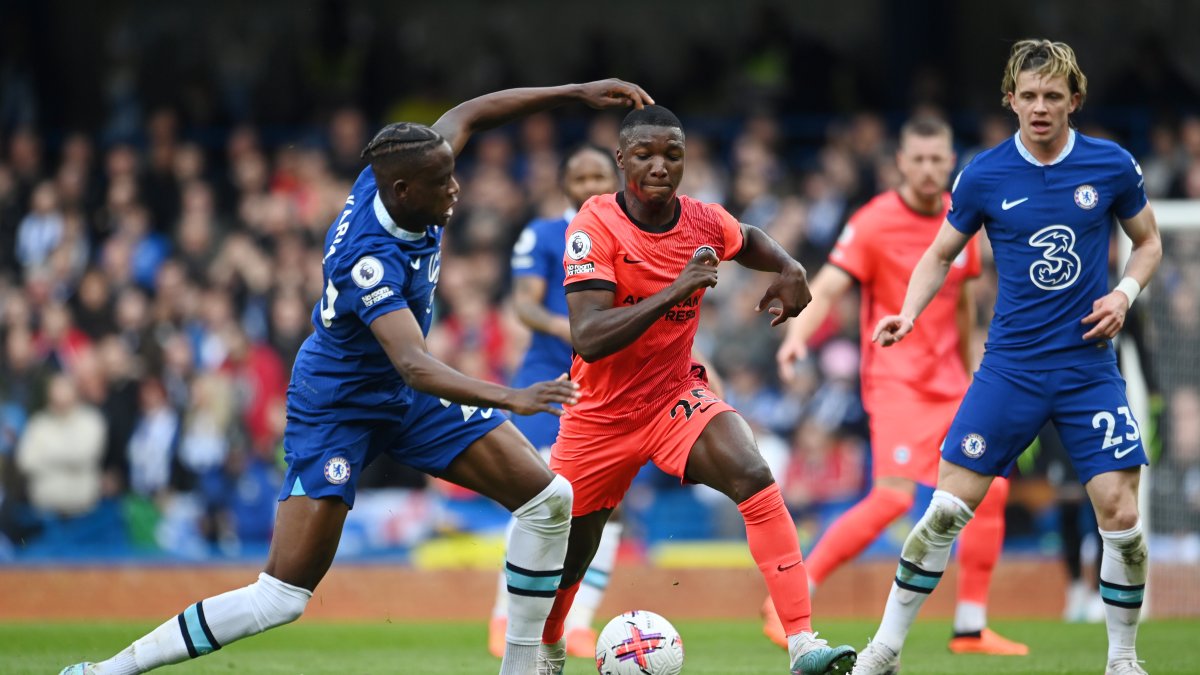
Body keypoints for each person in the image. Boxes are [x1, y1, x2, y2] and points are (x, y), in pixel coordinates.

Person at [59, 78, 655, 675]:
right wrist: (510, 397)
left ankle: (524, 667)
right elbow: (415, 363)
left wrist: (577, 92)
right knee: (282, 596)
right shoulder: (368, 258)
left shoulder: (403, 169)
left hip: (401, 392)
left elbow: (470, 112)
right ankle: (107, 671)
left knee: (548, 500)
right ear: (403, 191)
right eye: (443, 182)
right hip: (339, 403)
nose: (456, 187)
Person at [852, 40, 1161, 675]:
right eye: (1029, 96)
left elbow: (1149, 242)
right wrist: (909, 312)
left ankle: (1123, 660)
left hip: (1087, 369)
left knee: (1122, 514)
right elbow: (940, 253)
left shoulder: (1110, 165)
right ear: (1010, 101)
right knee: (943, 513)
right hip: (1010, 370)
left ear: (1074, 100)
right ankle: (884, 650)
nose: (1040, 107)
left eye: (1053, 96)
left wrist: (1124, 294)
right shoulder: (983, 175)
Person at [536, 105, 856, 675]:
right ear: (621, 160)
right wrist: (676, 289)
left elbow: (748, 238)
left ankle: (802, 642)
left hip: (672, 397)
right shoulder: (594, 225)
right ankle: (550, 644)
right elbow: (588, 337)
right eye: (644, 155)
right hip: (600, 414)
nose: (660, 166)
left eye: (673, 154)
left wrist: (790, 267)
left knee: (752, 471)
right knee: (574, 550)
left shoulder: (703, 221)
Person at [769, 117, 1027, 656]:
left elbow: (962, 304)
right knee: (892, 498)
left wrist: (973, 373)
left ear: (950, 162)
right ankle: (790, 599)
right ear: (901, 164)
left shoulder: (963, 218)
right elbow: (830, 285)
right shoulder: (874, 221)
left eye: (938, 159)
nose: (929, 169)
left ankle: (970, 627)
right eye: (919, 159)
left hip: (953, 383)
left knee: (993, 488)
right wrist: (796, 338)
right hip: (896, 381)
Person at [488, 144, 624, 659]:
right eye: (580, 177)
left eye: (598, 177)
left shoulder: (631, 233)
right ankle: (504, 616)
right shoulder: (544, 234)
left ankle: (580, 623)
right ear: (565, 184)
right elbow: (524, 303)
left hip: (610, 385)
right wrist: (574, 330)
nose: (590, 186)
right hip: (551, 379)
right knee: (539, 497)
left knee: (607, 510)